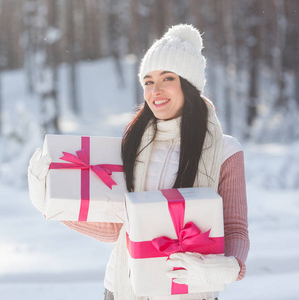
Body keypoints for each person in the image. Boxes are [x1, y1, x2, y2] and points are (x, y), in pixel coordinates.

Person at [28, 24, 249, 300]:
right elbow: (117, 228)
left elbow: (235, 228)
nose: (155, 90)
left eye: (167, 78)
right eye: (148, 81)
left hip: (190, 291)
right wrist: (50, 204)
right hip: (122, 290)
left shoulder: (226, 151)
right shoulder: (133, 145)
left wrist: (228, 268)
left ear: (189, 84)